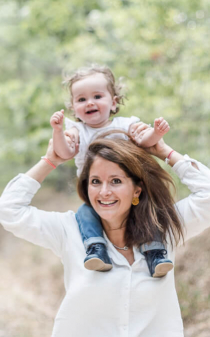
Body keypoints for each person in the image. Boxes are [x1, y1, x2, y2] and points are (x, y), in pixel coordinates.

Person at [0, 129, 210, 337]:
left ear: (137, 189)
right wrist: (51, 159)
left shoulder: (165, 228)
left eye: (116, 181)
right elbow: (7, 209)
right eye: (95, 181)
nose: (104, 192)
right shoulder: (68, 231)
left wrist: (165, 152)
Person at [49, 64, 173, 277]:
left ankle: (155, 252)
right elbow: (64, 152)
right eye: (81, 99)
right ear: (73, 108)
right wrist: (58, 131)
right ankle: (96, 249)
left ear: (113, 102)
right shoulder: (78, 131)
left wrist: (156, 133)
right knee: (85, 214)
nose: (89, 102)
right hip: (96, 194)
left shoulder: (126, 124)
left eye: (97, 96)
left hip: (130, 190)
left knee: (147, 213)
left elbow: (145, 141)